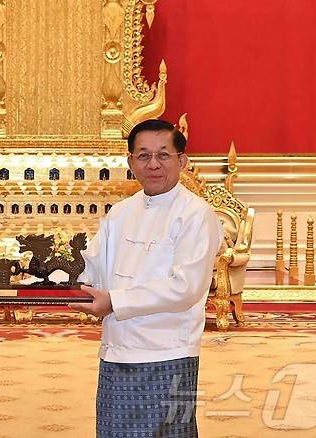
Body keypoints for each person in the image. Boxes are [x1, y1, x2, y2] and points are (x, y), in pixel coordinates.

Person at [70, 119, 223, 437]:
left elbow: (187, 288)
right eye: (143, 156)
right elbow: (94, 267)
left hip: (169, 351)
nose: (153, 164)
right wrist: (51, 280)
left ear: (182, 160)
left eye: (163, 155)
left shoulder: (196, 214)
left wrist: (115, 301)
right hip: (117, 348)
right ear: (130, 162)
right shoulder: (120, 212)